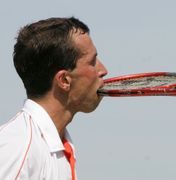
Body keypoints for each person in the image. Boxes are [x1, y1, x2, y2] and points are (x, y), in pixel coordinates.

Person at [0, 17, 108, 179]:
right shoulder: (17, 147)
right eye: (92, 62)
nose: (103, 70)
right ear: (64, 80)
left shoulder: (57, 145)